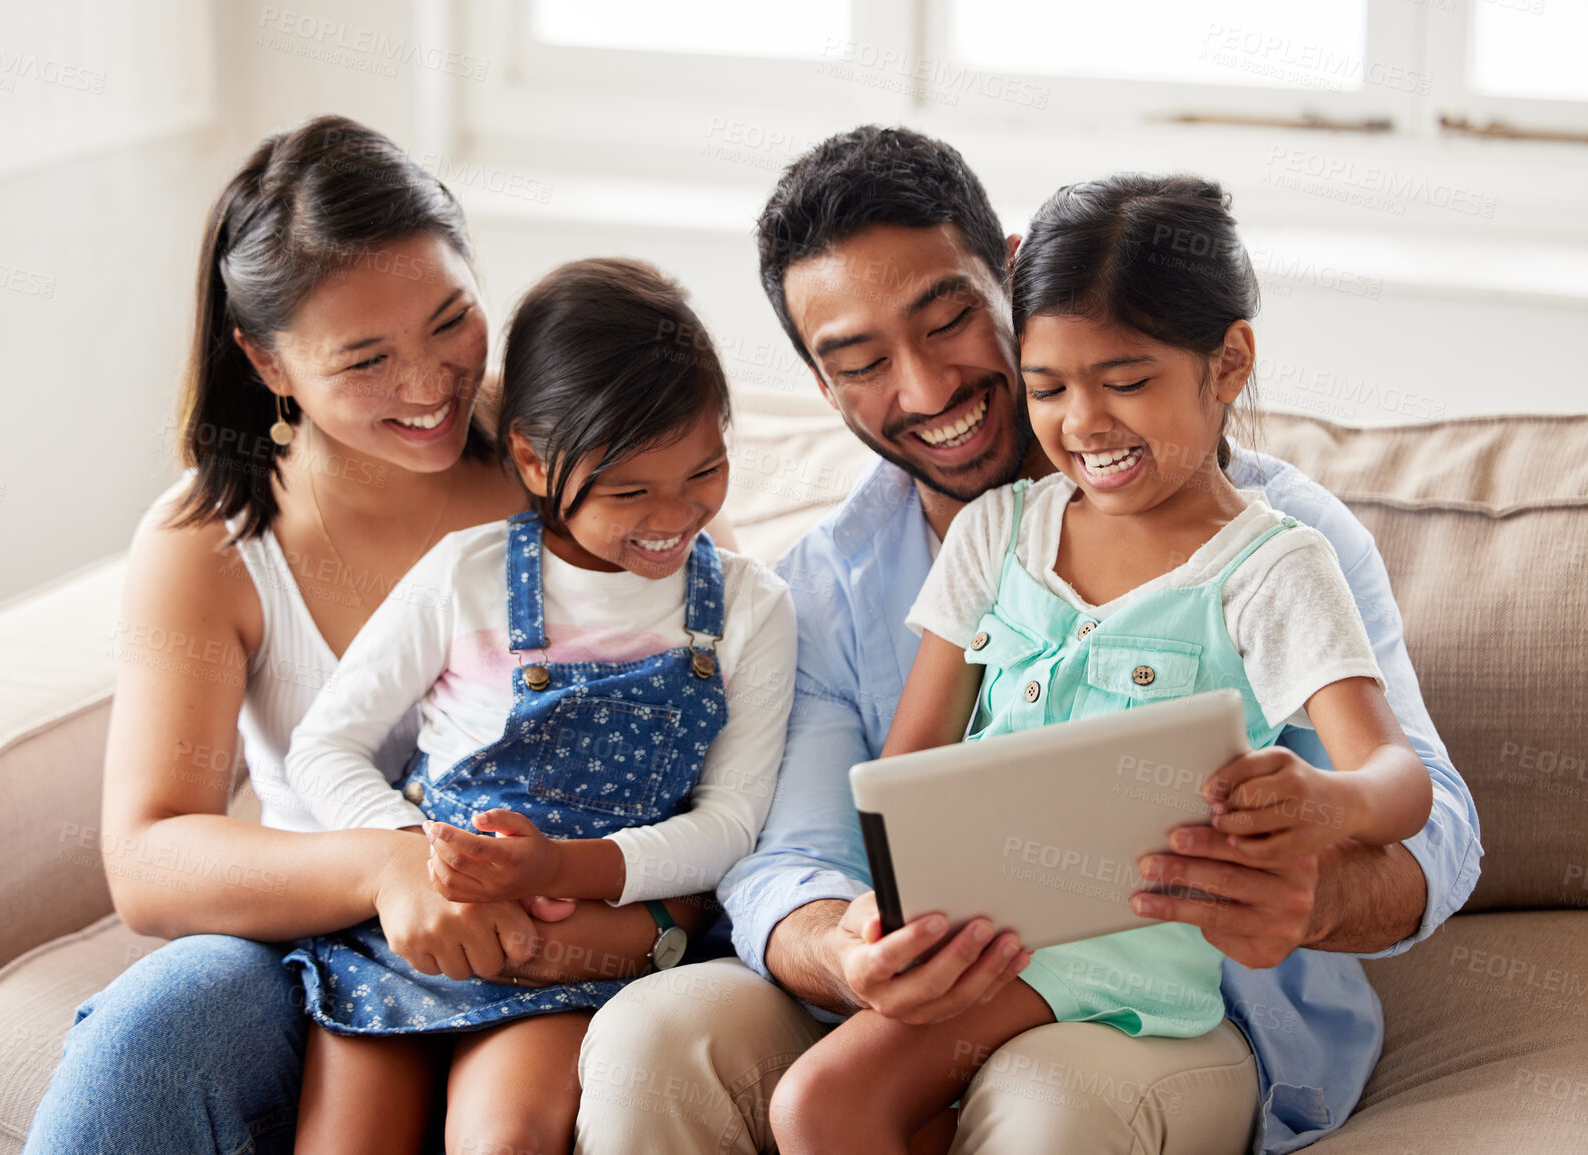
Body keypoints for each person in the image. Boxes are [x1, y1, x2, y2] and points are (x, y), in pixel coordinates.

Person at [575, 127, 1481, 1155]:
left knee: (1047, 1102)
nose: (922, 391)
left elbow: (1434, 824)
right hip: (940, 984)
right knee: (653, 1036)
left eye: (948, 321)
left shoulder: (1281, 547)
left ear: (1009, 278)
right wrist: (848, 949)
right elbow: (799, 848)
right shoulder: (846, 578)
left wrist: (1307, 890)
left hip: (1180, 1001)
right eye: (863, 362)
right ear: (825, 390)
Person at [24, 117, 720, 1154]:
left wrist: (645, 923)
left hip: (565, 914)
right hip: (314, 933)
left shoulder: (572, 451)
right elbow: (151, 854)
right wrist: (388, 867)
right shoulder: (212, 540)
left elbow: (717, 694)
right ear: (266, 361)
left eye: (451, 321)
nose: (430, 383)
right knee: (150, 1038)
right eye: (366, 359)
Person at [280, 257, 794, 1155]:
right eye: (630, 489)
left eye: (705, 469)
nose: (676, 515)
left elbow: (732, 823)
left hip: (577, 951)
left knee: (505, 1139)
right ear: (530, 457)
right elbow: (324, 746)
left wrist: (559, 868)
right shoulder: (464, 574)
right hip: (419, 930)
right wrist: (418, 861)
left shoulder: (750, 607)